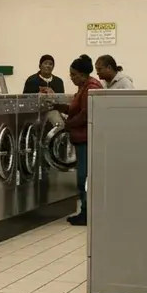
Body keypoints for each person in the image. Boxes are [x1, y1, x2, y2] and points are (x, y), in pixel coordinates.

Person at [53, 55, 102, 226]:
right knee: (84, 177)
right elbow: (77, 109)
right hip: (82, 138)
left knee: (84, 178)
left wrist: (68, 124)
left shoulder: (90, 88)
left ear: (82, 74)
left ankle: (87, 213)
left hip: (87, 139)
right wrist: (60, 107)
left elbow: (86, 114)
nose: (71, 78)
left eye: (73, 75)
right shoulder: (84, 87)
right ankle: (86, 212)